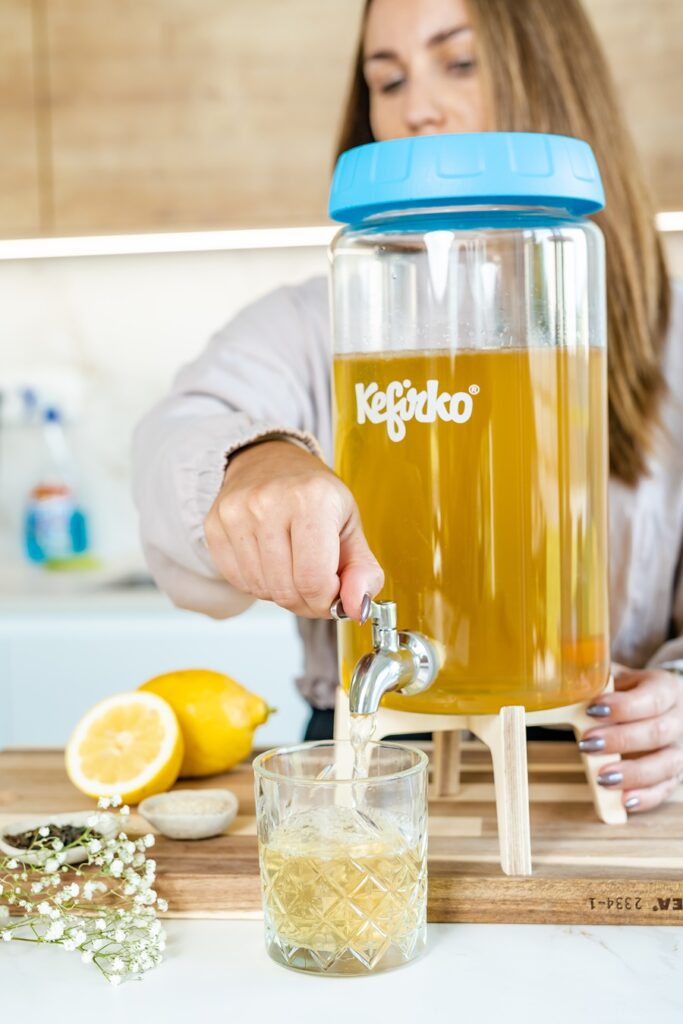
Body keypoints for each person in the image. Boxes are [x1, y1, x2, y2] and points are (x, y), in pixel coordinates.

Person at [132, 0, 683, 812]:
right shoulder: (309, 323)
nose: (415, 107)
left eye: (458, 63)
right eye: (385, 81)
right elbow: (173, 436)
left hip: (606, 771)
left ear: (556, 78)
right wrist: (254, 461)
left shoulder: (667, 339)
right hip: (374, 765)